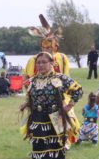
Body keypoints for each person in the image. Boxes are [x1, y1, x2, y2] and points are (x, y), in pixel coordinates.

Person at [20, 52, 83, 159]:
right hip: (37, 118)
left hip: (56, 117)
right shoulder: (32, 81)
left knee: (57, 147)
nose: (41, 65)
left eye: (44, 62)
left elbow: (78, 90)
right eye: (38, 62)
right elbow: (31, 98)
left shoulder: (60, 78)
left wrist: (68, 106)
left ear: (51, 63)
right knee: (38, 149)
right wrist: (26, 104)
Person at [25, 14, 79, 146]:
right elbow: (28, 78)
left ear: (55, 46)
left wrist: (65, 98)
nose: (46, 49)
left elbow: (66, 77)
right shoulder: (34, 60)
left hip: (60, 94)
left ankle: (64, 142)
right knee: (37, 122)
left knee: (66, 118)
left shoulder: (62, 57)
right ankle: (39, 145)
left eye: (49, 47)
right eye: (44, 47)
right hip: (39, 98)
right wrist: (29, 95)